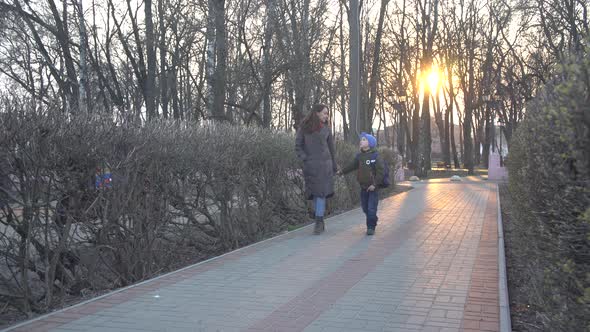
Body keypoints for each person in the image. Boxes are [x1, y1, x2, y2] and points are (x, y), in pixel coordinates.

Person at [295, 104, 337, 234]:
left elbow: (331, 149)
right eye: (324, 113)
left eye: (327, 114)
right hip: (311, 167)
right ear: (317, 113)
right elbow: (298, 146)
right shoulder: (304, 128)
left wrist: (334, 165)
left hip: (325, 167)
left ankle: (319, 222)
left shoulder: (327, 129)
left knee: (320, 194)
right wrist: (305, 158)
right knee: (314, 195)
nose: (326, 116)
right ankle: (320, 219)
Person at [337, 132, 384, 235]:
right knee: (365, 208)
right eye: (361, 139)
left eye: (364, 140)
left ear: (370, 143)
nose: (361, 141)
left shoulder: (375, 156)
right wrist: (341, 172)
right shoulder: (359, 156)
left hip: (373, 188)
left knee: (371, 208)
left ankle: (370, 227)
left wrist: (374, 185)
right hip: (363, 187)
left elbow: (381, 172)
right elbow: (352, 166)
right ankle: (373, 218)